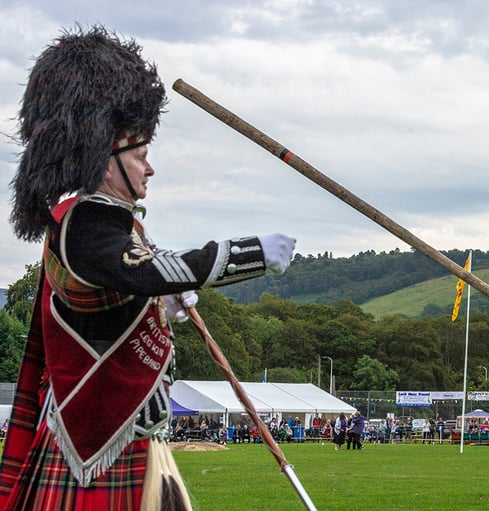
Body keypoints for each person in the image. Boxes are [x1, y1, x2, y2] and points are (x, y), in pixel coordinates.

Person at [0, 26, 296, 511]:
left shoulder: (110, 226)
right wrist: (252, 253)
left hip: (134, 433)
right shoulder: (85, 224)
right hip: (94, 439)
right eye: (140, 156)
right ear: (105, 160)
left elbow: (117, 294)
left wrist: (159, 305)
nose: (149, 168)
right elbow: (140, 272)